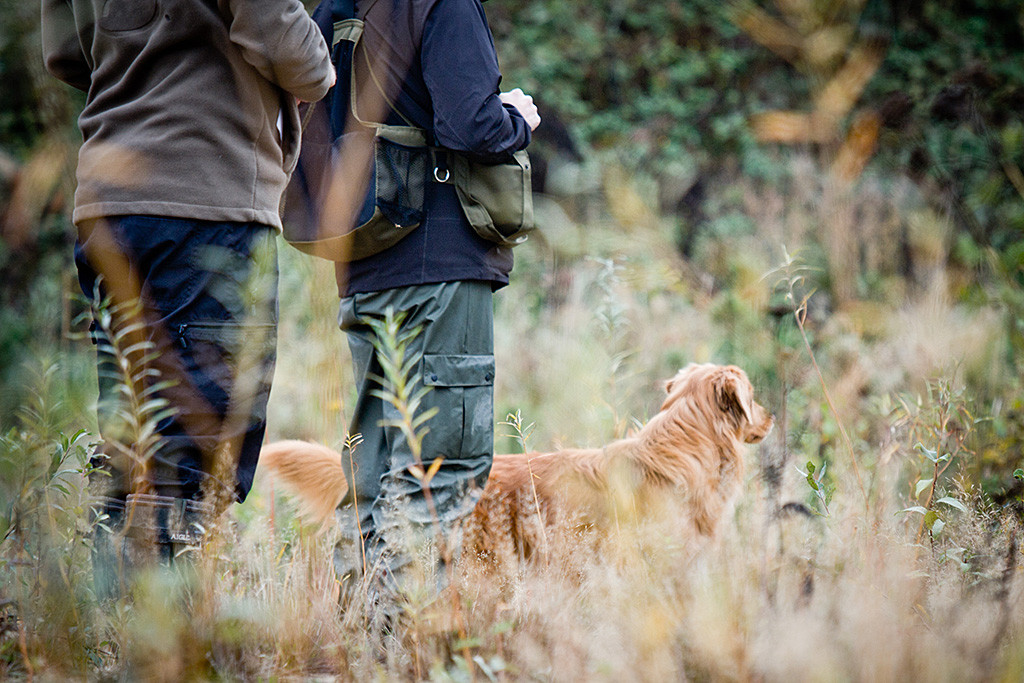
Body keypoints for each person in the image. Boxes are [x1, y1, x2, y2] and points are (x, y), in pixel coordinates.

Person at [40, 0, 335, 580]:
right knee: (206, 426)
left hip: (106, 203)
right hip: (208, 198)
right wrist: (314, 71)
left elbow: (65, 52)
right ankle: (169, 630)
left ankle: (110, 624)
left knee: (130, 421)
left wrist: (141, 72)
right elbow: (283, 38)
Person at [328, 0, 541, 601]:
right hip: (441, 269)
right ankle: (403, 648)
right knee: (438, 471)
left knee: (370, 467)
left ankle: (363, 639)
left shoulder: (332, 7)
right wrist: (516, 117)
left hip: (362, 267)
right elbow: (470, 126)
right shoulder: (442, 4)